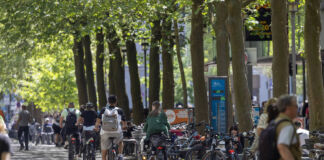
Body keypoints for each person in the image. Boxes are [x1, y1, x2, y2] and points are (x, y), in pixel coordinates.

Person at [95, 95, 126, 160]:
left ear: (108, 102)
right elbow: (124, 123)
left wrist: (96, 128)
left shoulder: (103, 109)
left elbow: (98, 121)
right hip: (117, 132)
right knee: (120, 140)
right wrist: (124, 127)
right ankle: (120, 155)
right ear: (116, 102)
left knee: (104, 151)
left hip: (105, 132)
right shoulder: (120, 110)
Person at [276, 95, 301, 160]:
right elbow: (282, 146)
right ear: (288, 108)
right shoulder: (287, 126)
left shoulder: (277, 121)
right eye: (295, 106)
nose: (297, 108)